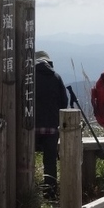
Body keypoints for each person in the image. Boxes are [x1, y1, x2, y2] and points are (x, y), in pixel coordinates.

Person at [34, 51, 69, 199]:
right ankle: (50, 192)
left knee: (25, 160)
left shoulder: (27, 77)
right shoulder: (56, 77)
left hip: (30, 129)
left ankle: (28, 192)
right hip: (51, 127)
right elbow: (64, 102)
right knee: (50, 161)